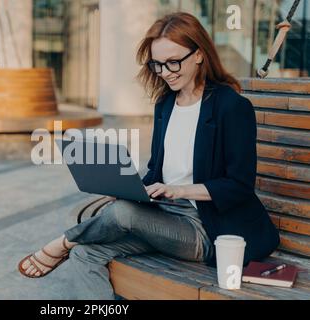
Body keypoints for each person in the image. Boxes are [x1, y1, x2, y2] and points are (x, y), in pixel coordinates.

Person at [17, 12, 280, 299]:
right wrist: (131, 188)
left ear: (199, 55)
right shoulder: (166, 104)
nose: (165, 72)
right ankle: (75, 248)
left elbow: (239, 186)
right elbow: (157, 169)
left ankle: (62, 242)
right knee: (86, 255)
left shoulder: (231, 107)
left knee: (120, 214)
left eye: (173, 62)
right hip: (163, 218)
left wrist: (179, 190)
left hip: (206, 229)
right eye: (157, 64)